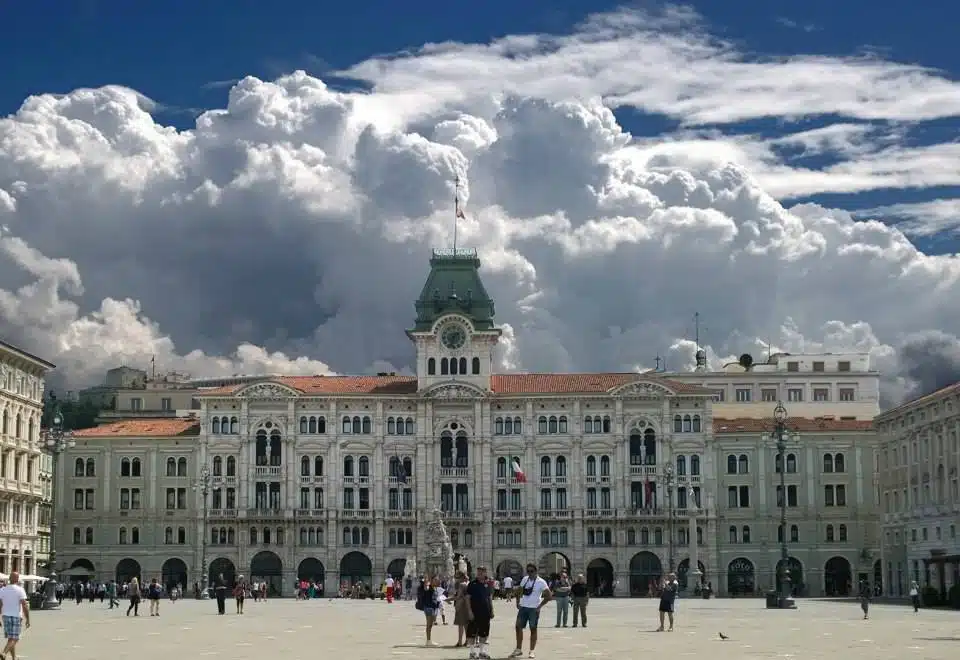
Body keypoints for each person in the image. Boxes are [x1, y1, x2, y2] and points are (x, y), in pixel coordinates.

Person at [511, 563, 551, 659]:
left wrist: (539, 606)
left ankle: (532, 651)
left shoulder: (541, 582)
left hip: (534, 609)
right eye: (528, 571)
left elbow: (549, 596)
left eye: (531, 571)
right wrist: (517, 602)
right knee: (518, 627)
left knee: (533, 629)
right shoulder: (525, 579)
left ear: (536, 571)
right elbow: (519, 591)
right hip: (523, 607)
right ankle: (518, 649)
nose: (529, 573)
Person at [465, 566, 494, 660]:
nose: (480, 574)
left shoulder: (488, 583)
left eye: (482, 572)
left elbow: (489, 597)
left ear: (485, 573)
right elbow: (467, 598)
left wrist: (492, 610)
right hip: (474, 611)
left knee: (484, 633)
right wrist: (469, 611)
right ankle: (472, 652)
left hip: (486, 612)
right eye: (478, 572)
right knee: (472, 632)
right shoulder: (472, 584)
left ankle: (481, 652)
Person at [0, 571, 29, 660]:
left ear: (9, 579)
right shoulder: (20, 589)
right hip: (16, 616)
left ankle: (14, 657)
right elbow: (24, 605)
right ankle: (4, 653)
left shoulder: (2, 590)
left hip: (5, 616)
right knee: (15, 638)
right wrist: (28, 619)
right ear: (17, 579)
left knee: (10, 638)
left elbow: (0, 604)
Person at [418, 576, 441, 647]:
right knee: (429, 625)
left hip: (432, 607)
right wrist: (426, 583)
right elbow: (426, 589)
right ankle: (428, 641)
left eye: (437, 580)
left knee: (430, 624)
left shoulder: (435, 588)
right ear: (432, 580)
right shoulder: (429, 586)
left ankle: (429, 640)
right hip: (429, 607)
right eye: (435, 580)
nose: (437, 581)